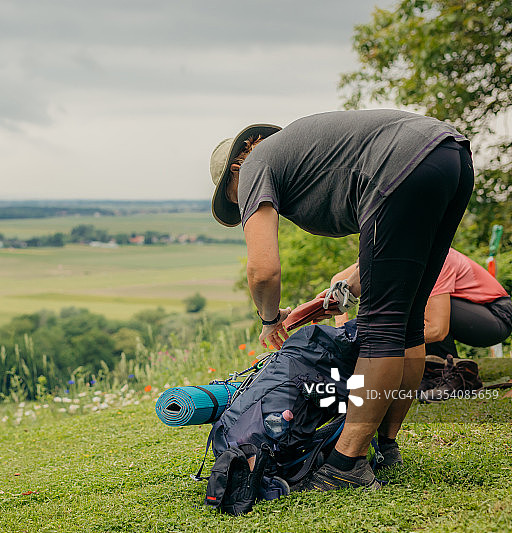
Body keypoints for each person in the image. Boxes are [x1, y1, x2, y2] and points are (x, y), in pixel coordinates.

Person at [209, 109, 473, 491]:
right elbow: (388, 228)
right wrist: (348, 285)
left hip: (404, 164)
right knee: (408, 322)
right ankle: (387, 446)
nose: (242, 205)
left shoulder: (255, 167)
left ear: (237, 167)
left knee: (380, 329)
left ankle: (345, 465)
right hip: (450, 155)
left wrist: (269, 319)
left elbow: (263, 271)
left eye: (234, 199)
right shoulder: (303, 155)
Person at [329, 248, 512, 360]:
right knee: (403, 304)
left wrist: (373, 340)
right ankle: (442, 365)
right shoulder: (386, 251)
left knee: (414, 306)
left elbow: (437, 330)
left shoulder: (436, 257)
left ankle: (446, 369)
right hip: (466, 310)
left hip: (495, 317)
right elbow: (339, 281)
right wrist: (343, 333)